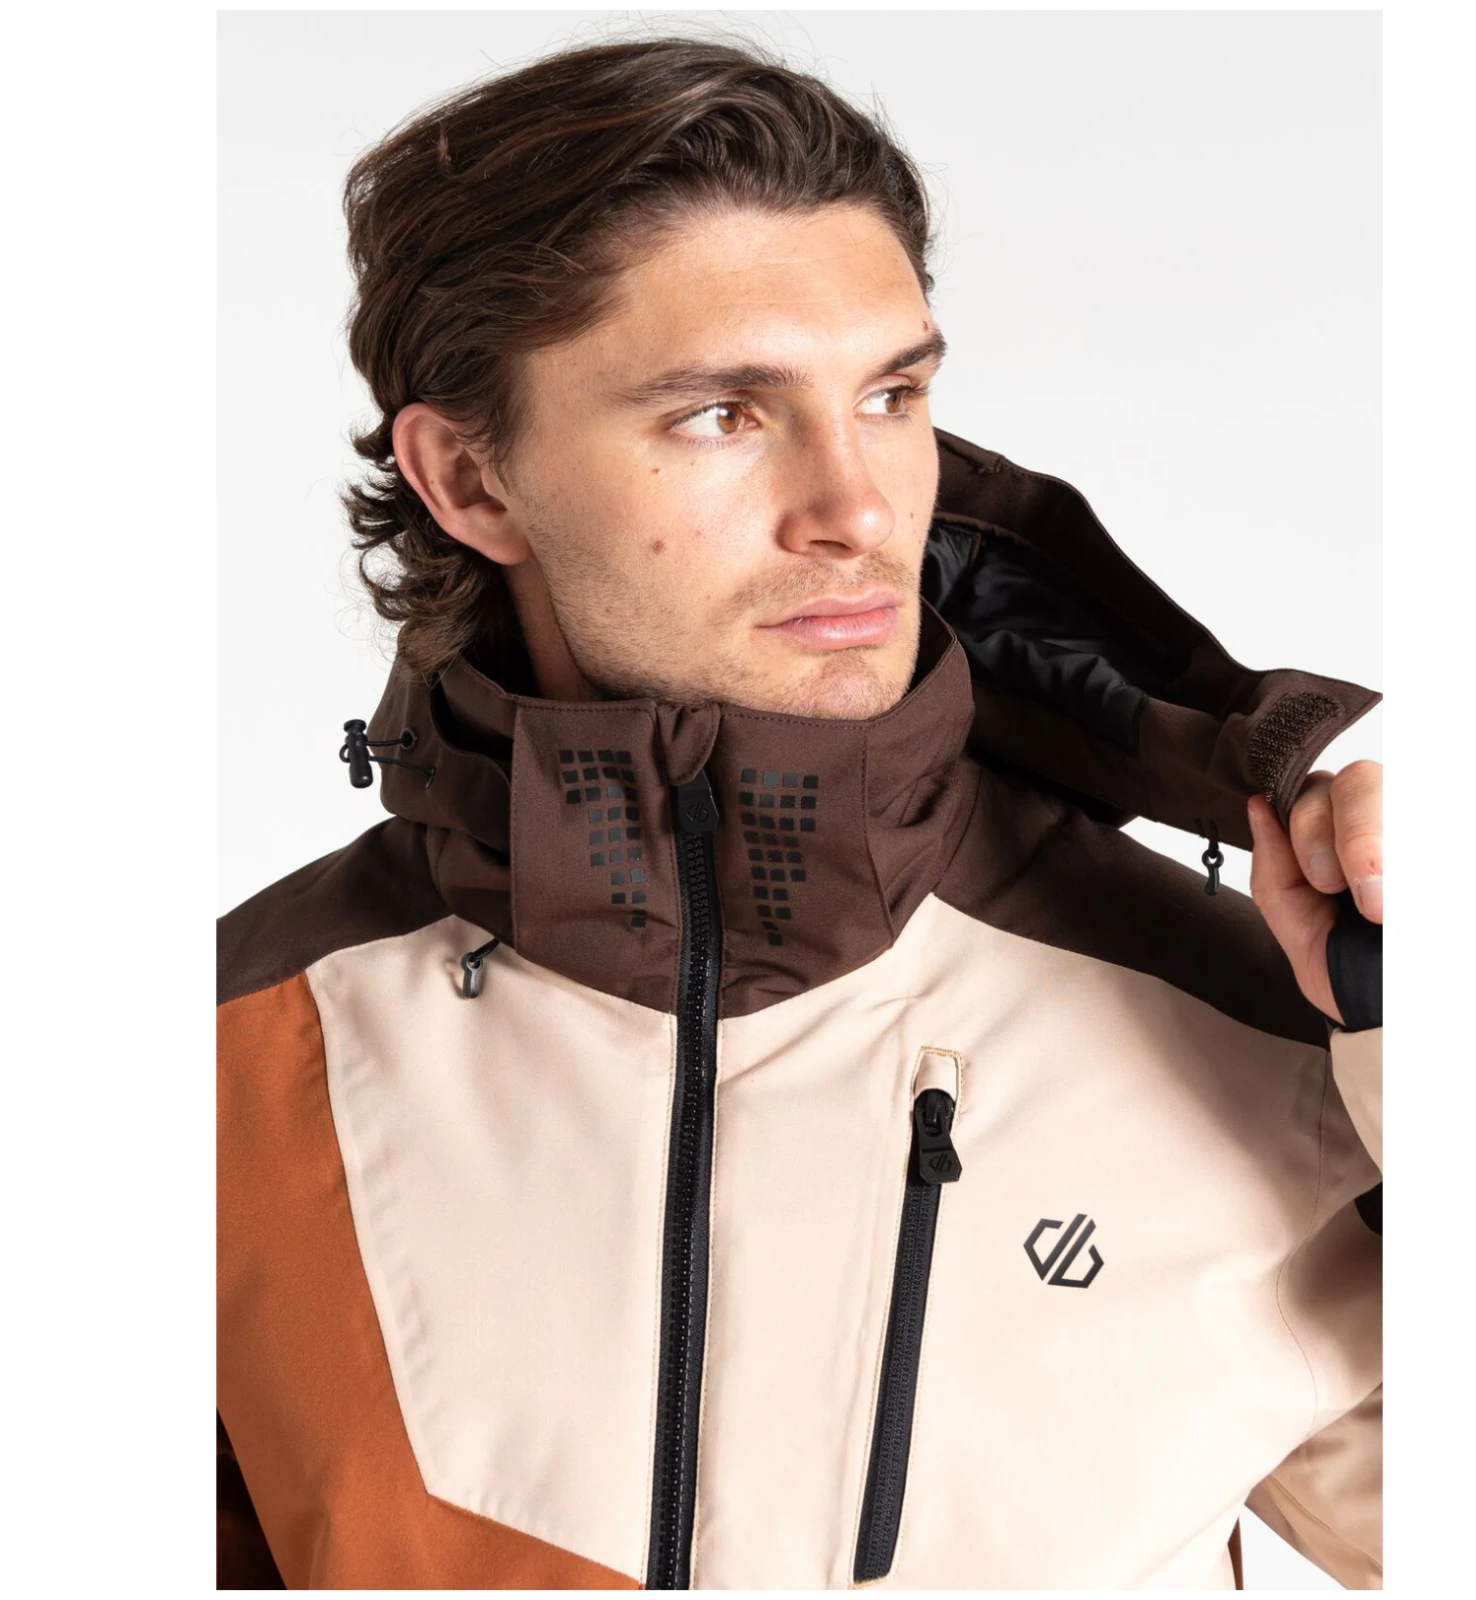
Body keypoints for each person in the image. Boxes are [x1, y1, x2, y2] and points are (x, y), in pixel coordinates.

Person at [217, 36, 1382, 1591]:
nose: (860, 508)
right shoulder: (229, 1066)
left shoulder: (1263, 1031)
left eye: (891, 394)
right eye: (723, 413)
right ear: (471, 481)